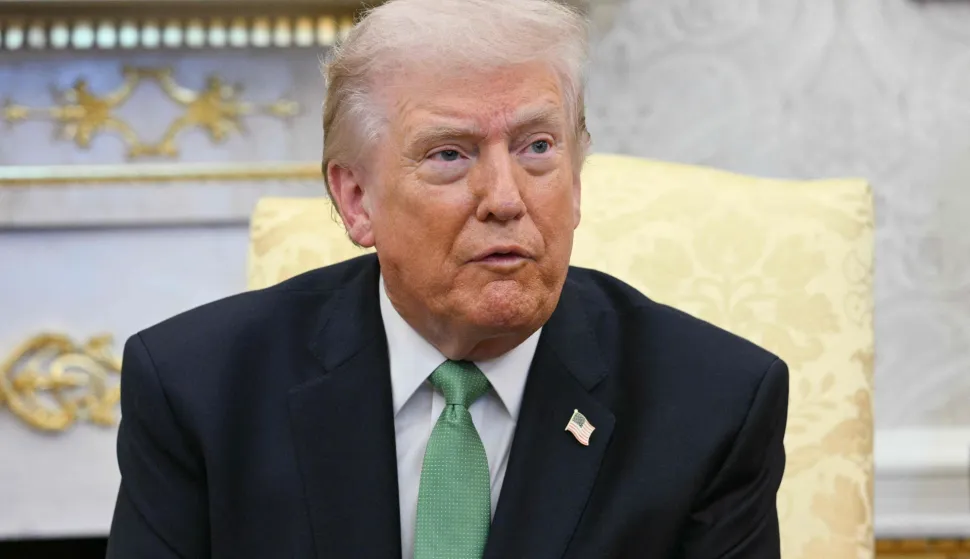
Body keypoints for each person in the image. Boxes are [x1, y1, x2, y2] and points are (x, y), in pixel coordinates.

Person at [106, 0, 789, 557]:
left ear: (577, 181)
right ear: (355, 200)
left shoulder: (713, 407)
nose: (505, 196)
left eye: (538, 147)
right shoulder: (197, 391)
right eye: (450, 154)